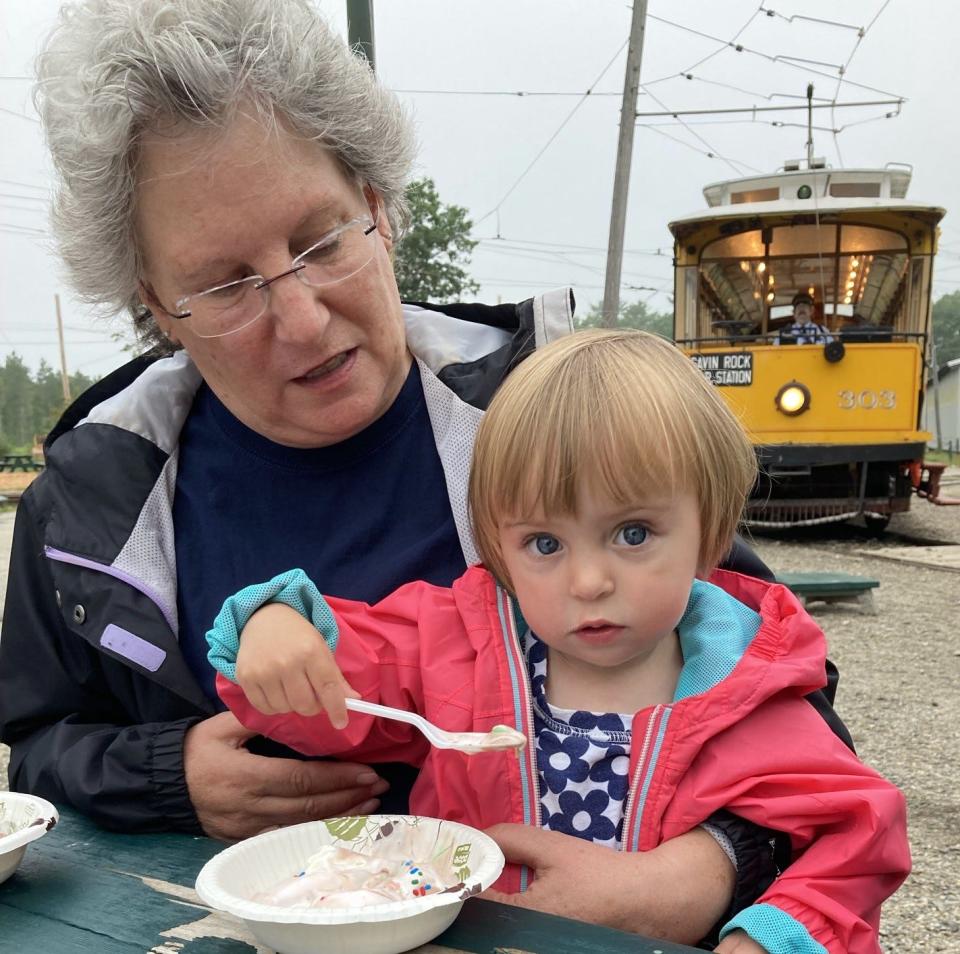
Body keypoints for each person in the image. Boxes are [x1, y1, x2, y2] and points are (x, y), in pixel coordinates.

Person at [0, 0, 844, 942]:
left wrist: (703, 869)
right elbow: (36, 748)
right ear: (157, 303)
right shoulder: (91, 502)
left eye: (322, 241)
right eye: (227, 283)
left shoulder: (559, 418)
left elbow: (785, 704)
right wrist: (168, 773)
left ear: (378, 205)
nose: (305, 319)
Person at [208, 330, 908, 954]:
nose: (589, 580)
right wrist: (271, 627)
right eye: (544, 542)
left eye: (632, 533)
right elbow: (327, 698)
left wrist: (766, 938)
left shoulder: (751, 690)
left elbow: (856, 838)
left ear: (711, 534)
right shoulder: (458, 642)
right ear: (501, 551)